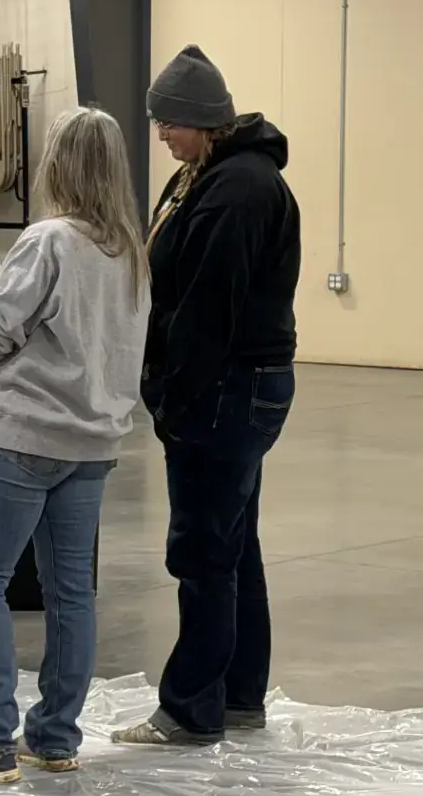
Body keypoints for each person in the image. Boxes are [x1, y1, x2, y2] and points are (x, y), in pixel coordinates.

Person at [0, 107, 149, 782]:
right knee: (70, 591)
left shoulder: (47, 240)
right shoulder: (130, 251)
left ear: (59, 165)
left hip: (25, 437)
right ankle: (53, 736)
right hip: (94, 443)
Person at [112, 45, 301, 748]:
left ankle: (192, 708)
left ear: (204, 122)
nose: (160, 134)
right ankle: (239, 695)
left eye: (169, 122)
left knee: (202, 552)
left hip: (226, 389)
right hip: (234, 386)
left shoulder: (237, 189)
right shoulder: (202, 177)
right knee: (232, 544)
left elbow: (206, 310)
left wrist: (174, 399)